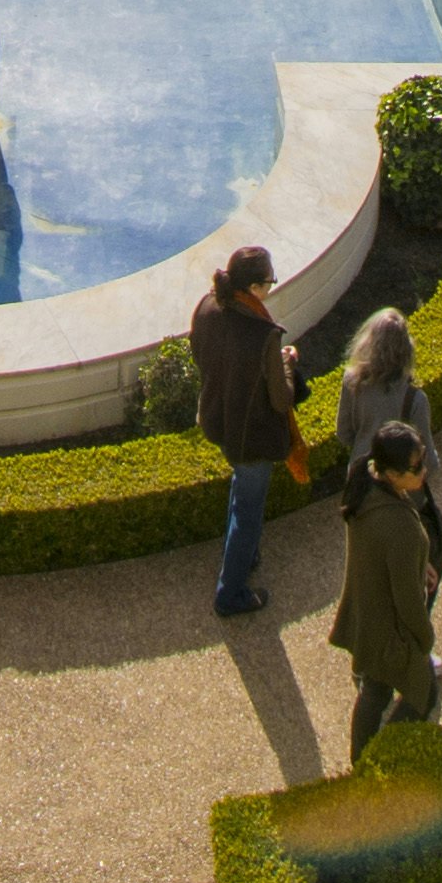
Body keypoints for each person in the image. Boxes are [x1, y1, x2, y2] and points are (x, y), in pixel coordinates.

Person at [189, 243, 301, 616]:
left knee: (242, 493)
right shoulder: (263, 334)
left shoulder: (207, 307)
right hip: (252, 434)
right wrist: (287, 364)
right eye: (269, 281)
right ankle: (231, 593)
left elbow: (200, 355)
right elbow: (282, 400)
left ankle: (243, 555)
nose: (271, 286)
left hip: (218, 420)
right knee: (248, 510)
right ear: (254, 288)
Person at [331, 423, 442, 757]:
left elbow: (381, 549)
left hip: (368, 616)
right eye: (417, 466)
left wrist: (418, 561)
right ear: (393, 474)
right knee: (424, 695)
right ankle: (381, 758)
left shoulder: (364, 486)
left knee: (374, 691)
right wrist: (425, 638)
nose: (424, 470)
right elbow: (408, 602)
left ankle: (361, 760)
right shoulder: (401, 528)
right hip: (392, 631)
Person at [326, 305, 442, 581]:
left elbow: (344, 434)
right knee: (406, 567)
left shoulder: (352, 381)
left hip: (360, 485)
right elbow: (429, 463)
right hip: (402, 495)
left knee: (365, 563)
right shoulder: (415, 400)